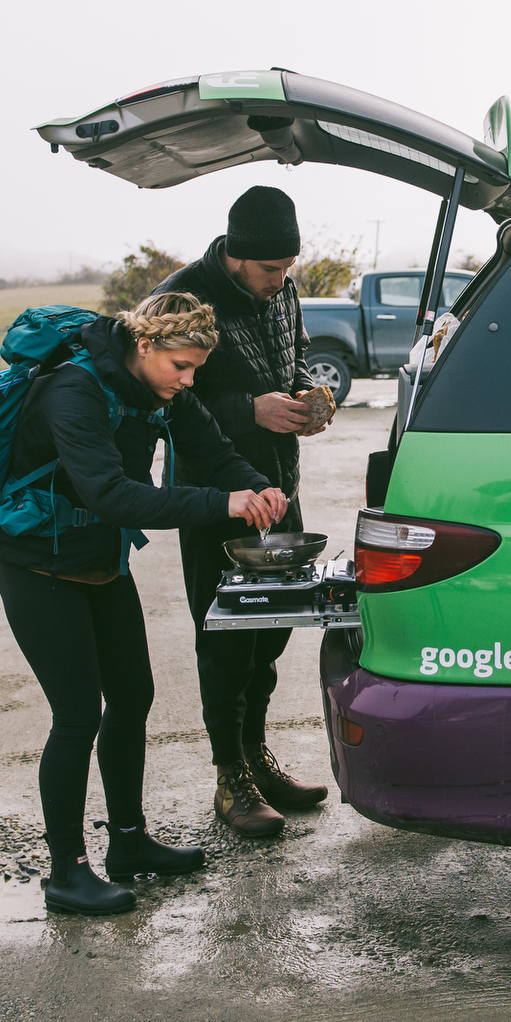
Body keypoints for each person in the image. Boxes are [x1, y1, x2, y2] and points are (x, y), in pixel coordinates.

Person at [0, 291, 289, 915]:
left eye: (196, 371)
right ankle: (66, 872)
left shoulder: (162, 391)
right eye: (179, 366)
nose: (186, 381)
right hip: (38, 565)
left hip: (99, 562)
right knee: (76, 714)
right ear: (144, 344)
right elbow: (114, 497)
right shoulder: (73, 391)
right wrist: (223, 504)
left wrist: (255, 483)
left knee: (132, 697)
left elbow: (209, 450)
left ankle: (128, 844)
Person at [154, 185, 331, 837]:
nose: (281, 281)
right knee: (226, 640)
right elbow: (164, 402)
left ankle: (257, 760)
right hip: (216, 503)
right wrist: (249, 410)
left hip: (280, 490)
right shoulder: (181, 300)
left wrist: (309, 393)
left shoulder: (280, 287)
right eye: (269, 271)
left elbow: (298, 351)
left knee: (272, 635)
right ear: (234, 255)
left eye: (288, 270)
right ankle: (230, 780)